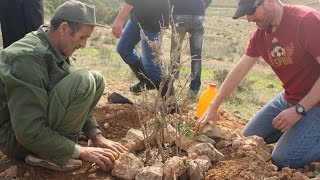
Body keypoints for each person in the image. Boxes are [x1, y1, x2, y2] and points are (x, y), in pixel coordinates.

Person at [0, 0, 127, 172]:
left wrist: (95, 134)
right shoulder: (29, 58)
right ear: (64, 28)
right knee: (83, 80)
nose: (84, 45)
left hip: (29, 127)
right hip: (17, 139)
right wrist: (79, 151)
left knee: (96, 79)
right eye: (82, 37)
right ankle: (46, 153)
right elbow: (27, 131)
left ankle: (58, 144)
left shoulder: (55, 45)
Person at [195, 0, 320, 169]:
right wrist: (213, 106)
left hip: (315, 103)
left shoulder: (306, 21)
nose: (248, 19)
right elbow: (240, 70)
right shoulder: (261, 34)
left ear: (269, 1)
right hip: (291, 97)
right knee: (248, 138)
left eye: (251, 11)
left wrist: (299, 110)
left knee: (285, 159)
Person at [112, 0, 170, 94]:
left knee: (150, 63)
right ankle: (146, 81)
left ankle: (170, 104)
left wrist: (120, 19)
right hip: (138, 15)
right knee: (123, 48)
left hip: (154, 18)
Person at [170, 0, 212, 100]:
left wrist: (171, 13)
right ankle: (194, 90)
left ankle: (170, 87)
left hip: (179, 14)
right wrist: (201, 6)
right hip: (198, 15)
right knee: (196, 56)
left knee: (175, 53)